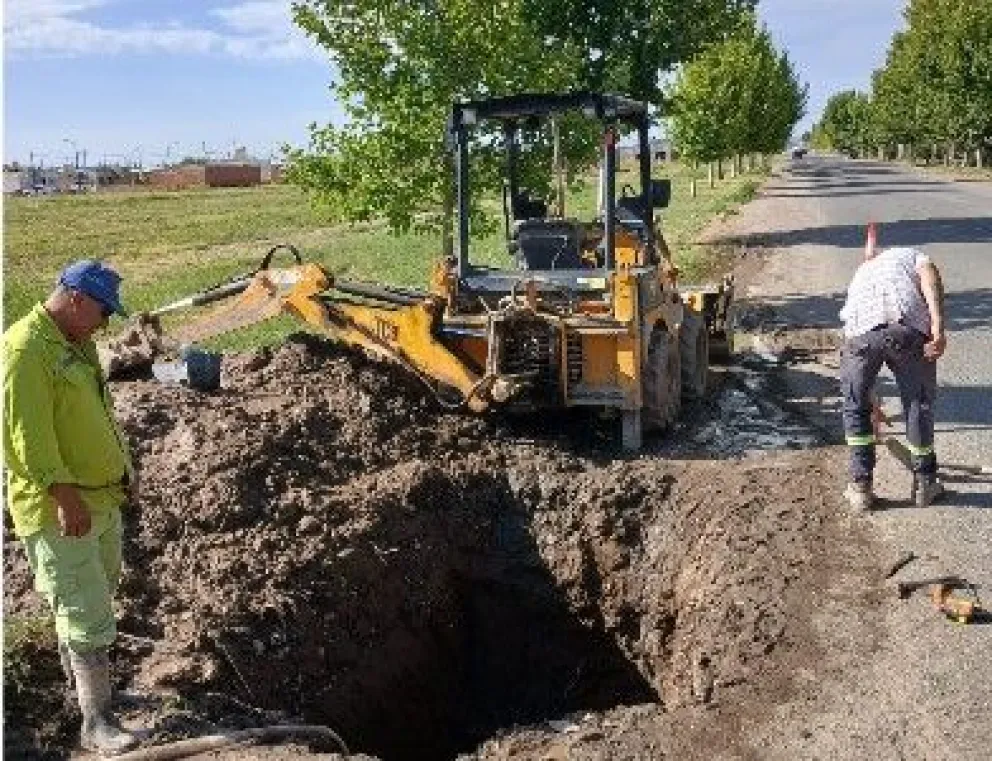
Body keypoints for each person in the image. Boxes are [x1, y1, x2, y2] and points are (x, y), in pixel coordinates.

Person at [3, 259, 139, 754]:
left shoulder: (76, 341)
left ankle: (89, 693)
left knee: (97, 596)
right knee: (85, 608)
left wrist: (125, 472)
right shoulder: (25, 349)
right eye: (103, 312)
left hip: (100, 497)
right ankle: (96, 722)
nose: (104, 325)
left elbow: (97, 414)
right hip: (61, 506)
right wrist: (64, 496)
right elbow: (26, 438)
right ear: (77, 298)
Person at [838, 225, 946, 510]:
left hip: (860, 337)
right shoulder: (911, 256)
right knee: (917, 402)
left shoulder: (862, 273)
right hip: (906, 329)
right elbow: (929, 276)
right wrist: (937, 325)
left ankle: (860, 488)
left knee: (855, 407)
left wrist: (868, 396)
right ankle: (925, 483)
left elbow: (851, 335)